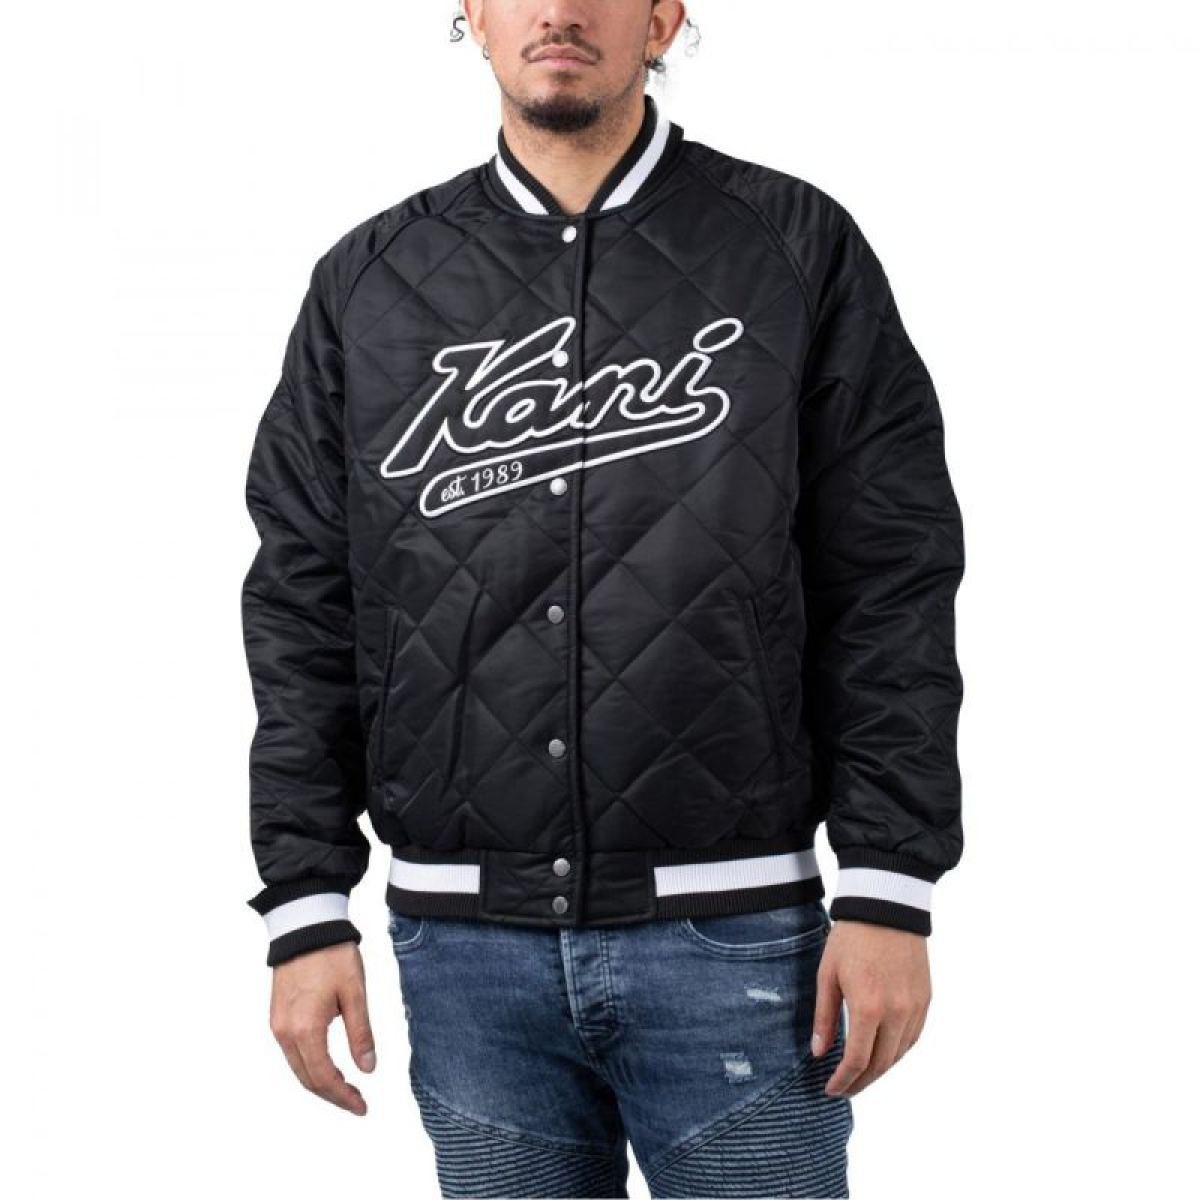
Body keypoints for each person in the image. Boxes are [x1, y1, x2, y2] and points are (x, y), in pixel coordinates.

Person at [240, 3, 965, 1196]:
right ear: (472, 15)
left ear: (664, 18)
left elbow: (889, 577)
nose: (560, 11)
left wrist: (890, 884)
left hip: (738, 940)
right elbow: (303, 602)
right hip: (465, 953)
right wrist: (306, 903)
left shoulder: (792, 246)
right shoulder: (370, 282)